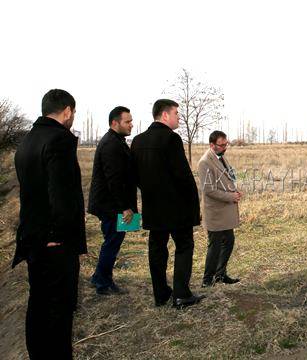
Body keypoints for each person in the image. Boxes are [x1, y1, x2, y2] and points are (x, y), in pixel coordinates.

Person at [14, 89, 87, 359]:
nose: (72, 118)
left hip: (32, 238)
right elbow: (62, 194)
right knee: (59, 311)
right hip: (55, 243)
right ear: (67, 111)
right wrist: (59, 234)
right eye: (73, 113)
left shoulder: (28, 140)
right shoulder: (59, 140)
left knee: (38, 304)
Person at [131, 99, 204, 309]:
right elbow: (183, 176)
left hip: (153, 207)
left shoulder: (137, 141)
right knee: (184, 246)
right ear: (165, 115)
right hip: (177, 208)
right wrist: (194, 206)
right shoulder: (171, 139)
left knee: (157, 249)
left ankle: (160, 294)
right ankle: (181, 294)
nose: (178, 117)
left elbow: (134, 175)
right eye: (176, 114)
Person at [87, 106, 137, 295]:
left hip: (114, 204)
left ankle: (99, 276)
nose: (131, 124)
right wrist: (125, 208)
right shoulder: (111, 144)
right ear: (114, 123)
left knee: (114, 240)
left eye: (131, 121)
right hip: (111, 205)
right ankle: (103, 283)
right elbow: (114, 180)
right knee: (112, 241)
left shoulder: (118, 141)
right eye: (127, 121)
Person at [198, 131, 242, 287]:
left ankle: (220, 274)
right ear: (212, 145)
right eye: (222, 145)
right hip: (215, 212)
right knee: (214, 245)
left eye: (226, 144)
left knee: (229, 241)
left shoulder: (221, 156)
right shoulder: (205, 162)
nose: (225, 147)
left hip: (225, 211)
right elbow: (208, 190)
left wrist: (234, 191)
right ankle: (207, 280)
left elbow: (226, 178)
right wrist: (231, 197)